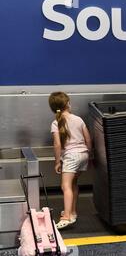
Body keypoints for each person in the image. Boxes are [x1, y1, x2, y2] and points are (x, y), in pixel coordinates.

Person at [48, 92, 92, 230]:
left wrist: (57, 162)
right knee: (73, 184)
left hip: (71, 156)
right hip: (83, 154)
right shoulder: (78, 119)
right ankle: (72, 212)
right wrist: (88, 154)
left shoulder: (56, 123)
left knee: (65, 186)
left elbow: (57, 145)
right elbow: (88, 139)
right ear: (67, 104)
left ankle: (66, 216)